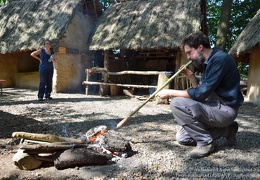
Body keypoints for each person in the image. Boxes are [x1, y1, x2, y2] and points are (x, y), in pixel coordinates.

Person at [156, 31, 244, 159]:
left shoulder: (220, 60)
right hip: (213, 107)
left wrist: (170, 92)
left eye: (189, 52)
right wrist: (192, 78)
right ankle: (227, 130)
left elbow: (201, 94)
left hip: (225, 109)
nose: (188, 58)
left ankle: (205, 143)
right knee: (182, 138)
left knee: (177, 103)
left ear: (200, 47)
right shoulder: (209, 63)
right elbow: (203, 92)